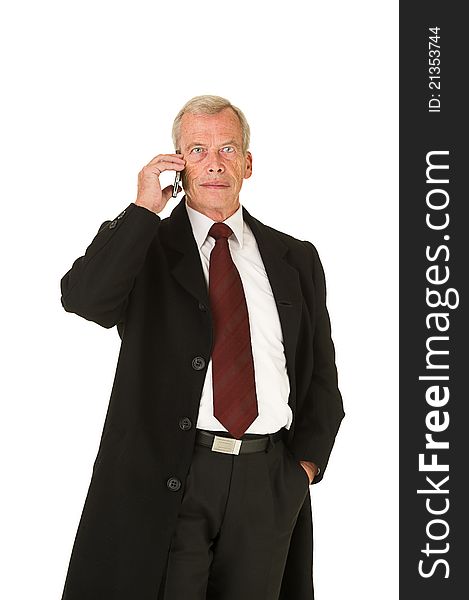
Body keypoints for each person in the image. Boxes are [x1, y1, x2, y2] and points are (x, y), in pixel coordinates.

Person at [59, 94, 345, 600]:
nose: (214, 162)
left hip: (269, 480)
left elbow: (321, 372)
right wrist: (144, 208)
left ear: (248, 163)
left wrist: (301, 469)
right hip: (175, 474)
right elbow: (84, 299)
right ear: (178, 165)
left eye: (228, 148)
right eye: (197, 149)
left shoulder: (295, 257)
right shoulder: (145, 246)